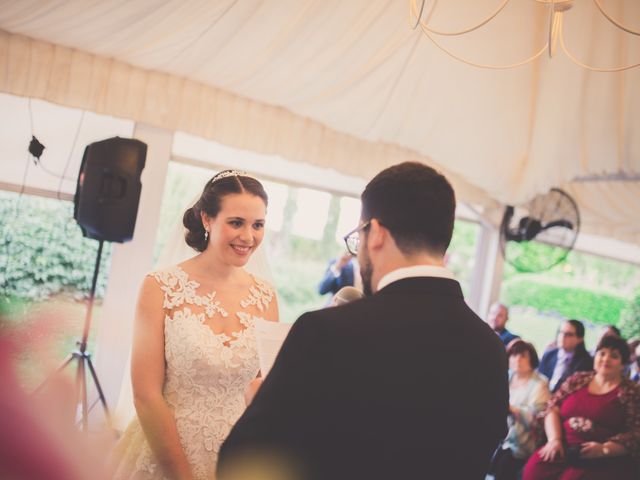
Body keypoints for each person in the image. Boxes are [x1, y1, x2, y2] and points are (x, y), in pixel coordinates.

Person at [217, 161, 509, 480]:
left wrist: (258, 406)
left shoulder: (327, 331)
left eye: (359, 235)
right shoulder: (491, 350)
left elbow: (241, 466)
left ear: (377, 233)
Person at [111, 170, 279, 480]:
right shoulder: (160, 287)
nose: (248, 237)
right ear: (207, 219)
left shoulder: (265, 296)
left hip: (234, 457)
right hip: (165, 453)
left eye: (258, 225)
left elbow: (260, 385)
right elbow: (146, 395)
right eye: (236, 222)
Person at [523, 335, 640, 479]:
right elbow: (552, 408)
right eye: (602, 353)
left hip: (600, 460)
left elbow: (636, 433)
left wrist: (604, 449)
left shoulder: (632, 392)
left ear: (623, 364)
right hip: (562, 448)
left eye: (614, 356)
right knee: (535, 469)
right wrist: (555, 440)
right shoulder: (577, 380)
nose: (605, 359)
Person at [490, 340, 550, 480]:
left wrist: (512, 409)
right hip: (498, 437)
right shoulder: (507, 376)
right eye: (514, 355)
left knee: (503, 466)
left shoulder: (540, 383)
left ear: (531, 359)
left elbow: (537, 417)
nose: (517, 359)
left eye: (523, 356)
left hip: (521, 443)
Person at [538, 320, 593, 392]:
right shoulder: (549, 355)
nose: (563, 337)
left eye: (569, 334)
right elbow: (538, 380)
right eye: (561, 332)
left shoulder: (586, 363)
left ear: (580, 339)